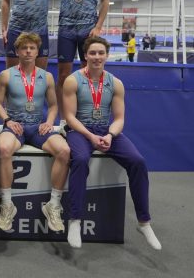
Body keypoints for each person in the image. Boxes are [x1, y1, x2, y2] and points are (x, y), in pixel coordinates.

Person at [62, 36, 161, 250]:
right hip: (80, 130)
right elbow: (69, 116)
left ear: (107, 55)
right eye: (92, 53)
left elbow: (119, 119)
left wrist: (109, 135)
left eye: (101, 53)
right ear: (85, 55)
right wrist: (90, 136)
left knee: (138, 161)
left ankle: (144, 222)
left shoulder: (115, 83)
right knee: (79, 159)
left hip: (105, 131)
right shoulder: (73, 80)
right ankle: (75, 220)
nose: (97, 57)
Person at [0, 32, 70, 232]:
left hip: (37, 127)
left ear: (37, 52)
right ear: (17, 51)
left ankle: (53, 205)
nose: (28, 51)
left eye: (32, 48)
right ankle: (7, 205)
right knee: (3, 148)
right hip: (15, 125)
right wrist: (7, 120)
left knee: (64, 151)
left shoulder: (47, 77)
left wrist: (50, 122)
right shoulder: (6, 75)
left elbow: (53, 106)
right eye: (24, 48)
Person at [55, 0, 109, 125]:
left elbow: (105, 1)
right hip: (66, 28)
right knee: (63, 76)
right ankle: (63, 119)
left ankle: (85, 117)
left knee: (90, 75)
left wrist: (98, 27)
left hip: (89, 29)